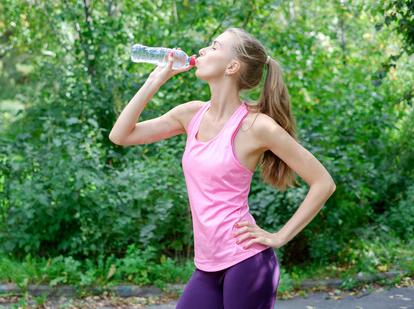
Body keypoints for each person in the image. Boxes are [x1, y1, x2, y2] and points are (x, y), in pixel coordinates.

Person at [109, 27, 336, 309]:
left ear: (232, 66)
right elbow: (120, 136)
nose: (202, 51)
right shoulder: (190, 114)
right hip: (207, 266)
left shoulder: (256, 126)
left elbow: (323, 182)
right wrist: (155, 80)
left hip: (247, 262)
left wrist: (279, 236)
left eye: (214, 46)